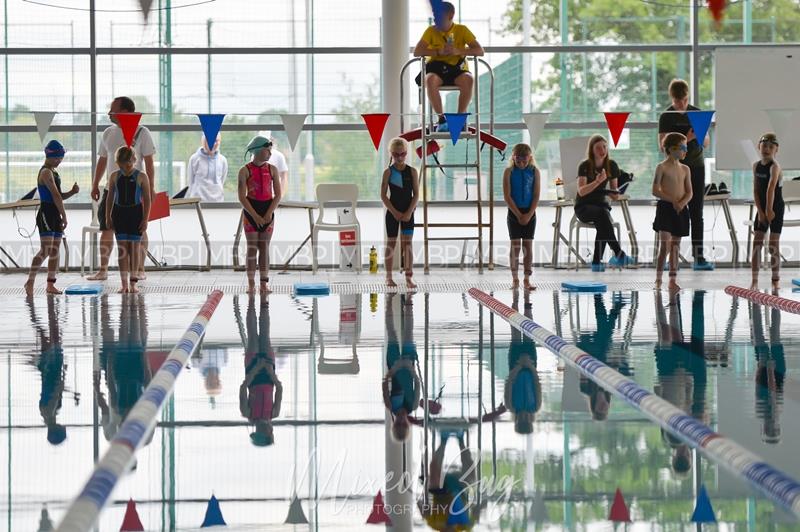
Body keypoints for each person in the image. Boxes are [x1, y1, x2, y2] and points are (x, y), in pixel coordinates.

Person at [89, 97, 156, 281]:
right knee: (106, 227)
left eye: (113, 109)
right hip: (112, 188)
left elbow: (149, 163)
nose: (109, 113)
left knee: (140, 229)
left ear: (125, 112)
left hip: (136, 188)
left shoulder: (142, 132)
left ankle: (140, 268)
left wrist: (151, 188)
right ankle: (103, 270)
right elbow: (102, 160)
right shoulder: (108, 132)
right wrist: (95, 184)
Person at [658, 79, 712, 270]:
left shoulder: (697, 113)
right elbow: (661, 145)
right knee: (672, 210)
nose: (681, 104)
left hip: (695, 167)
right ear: (672, 98)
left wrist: (699, 135)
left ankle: (699, 257)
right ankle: (669, 258)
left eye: (684, 100)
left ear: (688, 97)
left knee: (696, 211)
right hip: (674, 169)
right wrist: (685, 139)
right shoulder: (666, 116)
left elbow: (706, 143)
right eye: (677, 101)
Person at [653, 289, 709, 474]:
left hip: (668, 379)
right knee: (675, 338)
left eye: (680, 457)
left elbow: (659, 410)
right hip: (683, 382)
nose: (683, 453)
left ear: (674, 457)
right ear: (689, 458)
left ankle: (660, 298)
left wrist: (659, 390)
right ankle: (671, 297)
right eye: (685, 457)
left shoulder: (668, 437)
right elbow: (698, 408)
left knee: (666, 336)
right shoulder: (694, 439)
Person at [412, 1, 484, 131]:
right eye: (434, 16)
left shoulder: (462, 30)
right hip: (437, 70)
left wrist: (459, 51)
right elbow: (417, 52)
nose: (435, 19)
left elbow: (480, 51)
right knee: (429, 79)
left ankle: (460, 118)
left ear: (450, 16)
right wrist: (437, 52)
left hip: (457, 70)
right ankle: (441, 118)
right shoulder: (430, 31)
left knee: (469, 79)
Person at [24, 140, 79, 295]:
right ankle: (30, 281)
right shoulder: (46, 172)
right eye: (59, 158)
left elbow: (59, 196)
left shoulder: (54, 172)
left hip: (54, 212)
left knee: (54, 251)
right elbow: (55, 195)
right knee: (46, 250)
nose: (60, 161)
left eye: (61, 158)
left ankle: (50, 284)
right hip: (47, 213)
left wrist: (72, 192)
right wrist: (64, 215)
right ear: (51, 156)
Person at [574, 135, 634, 272]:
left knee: (602, 217)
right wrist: (597, 181)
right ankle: (619, 255)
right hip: (583, 206)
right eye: (598, 147)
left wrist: (616, 193)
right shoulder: (584, 166)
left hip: (601, 206)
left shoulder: (611, 165)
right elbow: (581, 192)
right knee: (603, 215)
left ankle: (597, 262)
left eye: (605, 146)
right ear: (592, 150)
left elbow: (613, 194)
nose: (603, 150)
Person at [238, 135, 282, 294]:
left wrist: (269, 213)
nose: (270, 154)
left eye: (270, 151)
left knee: (264, 248)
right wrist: (255, 216)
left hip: (267, 210)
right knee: (252, 249)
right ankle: (251, 284)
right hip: (251, 211)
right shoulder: (245, 171)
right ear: (256, 151)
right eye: (267, 151)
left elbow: (278, 195)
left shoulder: (272, 170)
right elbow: (242, 197)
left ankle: (264, 283)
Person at [106, 147, 152, 294]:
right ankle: (124, 284)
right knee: (122, 250)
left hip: (135, 213)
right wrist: (108, 216)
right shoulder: (114, 176)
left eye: (128, 163)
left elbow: (147, 200)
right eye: (122, 164)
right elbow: (109, 198)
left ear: (133, 160)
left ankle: (133, 283)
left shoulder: (141, 176)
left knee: (134, 249)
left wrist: (145, 219)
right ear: (118, 163)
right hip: (119, 214)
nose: (126, 167)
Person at [238, 293, 282, 447]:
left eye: (268, 433)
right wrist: (271, 374)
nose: (270, 430)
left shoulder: (247, 413)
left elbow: (243, 388)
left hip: (253, 372)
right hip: (268, 373)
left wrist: (256, 369)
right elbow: (279, 388)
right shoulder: (274, 413)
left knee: (252, 335)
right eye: (271, 432)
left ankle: (251, 300)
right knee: (265, 333)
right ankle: (264, 300)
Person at [577, 292, 628, 420]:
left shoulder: (585, 389)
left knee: (604, 338)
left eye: (600, 408)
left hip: (588, 350)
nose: (604, 406)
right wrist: (615, 363)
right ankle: (600, 300)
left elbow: (583, 367)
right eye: (605, 409)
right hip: (602, 351)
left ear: (594, 406)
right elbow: (613, 368)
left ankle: (614, 310)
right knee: (604, 337)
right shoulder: (610, 390)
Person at [653, 133, 693, 292]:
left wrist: (682, 202)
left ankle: (672, 280)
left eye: (686, 148)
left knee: (675, 246)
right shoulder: (661, 167)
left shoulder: (685, 169)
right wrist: (673, 201)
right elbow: (655, 190)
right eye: (683, 147)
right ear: (671, 148)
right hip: (665, 209)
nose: (686, 151)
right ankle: (658, 279)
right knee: (665, 246)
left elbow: (690, 192)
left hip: (681, 209)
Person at [27, 296, 67, 445]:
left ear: (57, 430)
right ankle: (37, 309)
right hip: (50, 369)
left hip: (51, 367)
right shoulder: (48, 413)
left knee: (52, 331)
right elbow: (55, 389)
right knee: (47, 333)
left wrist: (60, 374)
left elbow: (55, 388)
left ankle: (47, 306)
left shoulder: (48, 412)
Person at [380, 137, 419, 289]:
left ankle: (409, 277)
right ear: (391, 154)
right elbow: (383, 195)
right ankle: (388, 277)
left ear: (406, 153)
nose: (400, 157)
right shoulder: (388, 172)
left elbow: (416, 195)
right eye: (396, 155)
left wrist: (409, 212)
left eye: (402, 154)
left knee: (408, 244)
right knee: (391, 244)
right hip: (392, 212)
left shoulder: (412, 171)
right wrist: (394, 211)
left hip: (408, 211)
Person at [382, 293, 421, 442]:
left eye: (397, 423)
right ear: (408, 424)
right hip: (408, 364)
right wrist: (410, 368)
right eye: (403, 423)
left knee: (391, 333)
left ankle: (389, 300)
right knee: (408, 332)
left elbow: (385, 383)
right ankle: (409, 300)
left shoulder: (390, 405)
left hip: (394, 365)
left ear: (394, 423)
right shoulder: (414, 405)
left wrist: (394, 369)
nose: (401, 420)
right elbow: (417, 383)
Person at [503, 143, 540, 290]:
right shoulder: (508, 172)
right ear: (513, 157)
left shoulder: (535, 171)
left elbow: (536, 195)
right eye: (518, 161)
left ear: (530, 158)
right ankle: (515, 279)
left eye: (524, 160)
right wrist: (519, 215)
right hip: (514, 212)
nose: (521, 164)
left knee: (528, 246)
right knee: (515, 247)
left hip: (530, 211)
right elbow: (507, 196)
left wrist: (529, 214)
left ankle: (526, 279)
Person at [750, 133, 784, 290]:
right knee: (757, 244)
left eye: (771, 147)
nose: (767, 149)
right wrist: (761, 212)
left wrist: (769, 210)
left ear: (776, 150)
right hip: (763, 208)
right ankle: (754, 281)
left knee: (772, 245)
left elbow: (771, 188)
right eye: (764, 146)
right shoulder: (756, 165)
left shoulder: (775, 167)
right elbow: (756, 190)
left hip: (775, 208)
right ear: (759, 146)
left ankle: (775, 279)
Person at [504, 290, 540, 434]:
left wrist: (518, 366)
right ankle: (527, 301)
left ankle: (515, 302)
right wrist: (530, 366)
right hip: (531, 367)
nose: (524, 417)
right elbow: (537, 384)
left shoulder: (511, 406)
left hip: (515, 366)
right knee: (529, 333)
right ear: (531, 420)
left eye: (521, 420)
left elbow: (509, 383)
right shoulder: (535, 406)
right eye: (527, 420)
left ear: (517, 420)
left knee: (516, 333)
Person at [750, 300, 785, 444]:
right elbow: (767, 390)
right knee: (764, 335)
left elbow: (765, 389)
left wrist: (764, 368)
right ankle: (756, 303)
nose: (774, 427)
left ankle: (763, 301)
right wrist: (763, 367)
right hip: (770, 373)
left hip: (771, 372)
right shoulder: (768, 415)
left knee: (773, 334)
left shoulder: (768, 414)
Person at [187, 134, 228, 202]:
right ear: (203, 141)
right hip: (198, 202)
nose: (212, 143)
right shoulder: (194, 159)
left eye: (216, 141)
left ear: (219, 142)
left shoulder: (223, 160)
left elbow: (222, 180)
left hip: (218, 201)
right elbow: (191, 181)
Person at [260, 131, 290, 196]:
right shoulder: (255, 155)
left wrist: (280, 195)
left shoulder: (278, 156)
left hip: (274, 195)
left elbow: (284, 176)